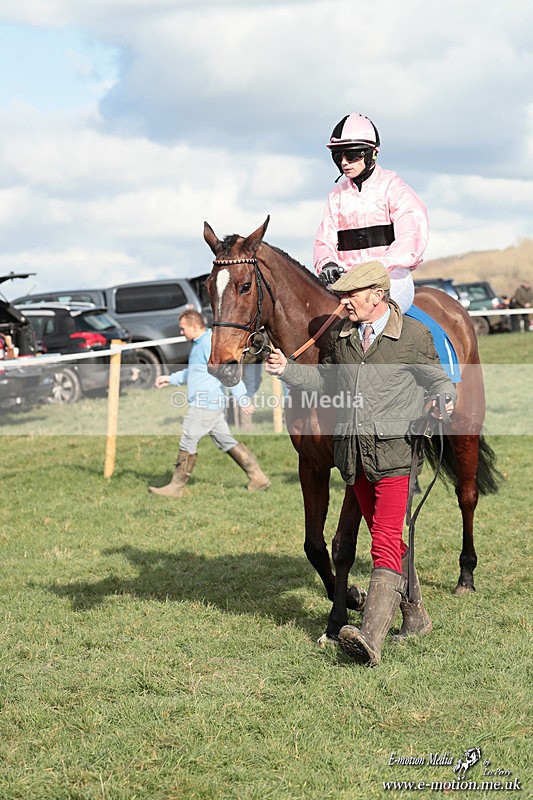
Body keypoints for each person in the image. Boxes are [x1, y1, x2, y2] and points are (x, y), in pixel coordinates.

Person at [265, 262, 455, 666]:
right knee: (389, 539)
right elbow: (326, 384)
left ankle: (369, 638)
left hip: (395, 454)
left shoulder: (413, 336)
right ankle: (416, 616)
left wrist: (444, 398)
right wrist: (288, 372)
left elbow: (437, 380)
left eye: (351, 294)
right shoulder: (343, 337)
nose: (343, 301)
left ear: (378, 296)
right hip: (354, 456)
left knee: (383, 543)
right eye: (342, 294)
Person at [314, 113, 429, 313]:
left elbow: (411, 238)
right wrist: (327, 263)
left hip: (391, 279)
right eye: (338, 156)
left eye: (351, 155)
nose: (344, 162)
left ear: (371, 154)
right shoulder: (335, 196)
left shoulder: (395, 189)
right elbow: (324, 241)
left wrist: (376, 269)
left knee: (370, 310)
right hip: (346, 283)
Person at [149, 310, 270, 497]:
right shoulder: (199, 344)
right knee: (227, 442)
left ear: (194, 326)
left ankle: (176, 487)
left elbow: (227, 371)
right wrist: (170, 379)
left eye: (183, 329)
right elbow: (195, 373)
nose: (181, 333)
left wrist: (242, 397)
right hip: (211, 406)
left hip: (204, 406)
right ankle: (258, 477)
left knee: (188, 439)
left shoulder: (208, 343)